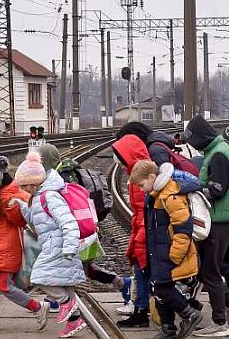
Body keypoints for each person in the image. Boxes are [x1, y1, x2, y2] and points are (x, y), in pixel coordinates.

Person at [38, 142, 131, 314]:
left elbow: (70, 207)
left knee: (70, 266)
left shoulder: (62, 177)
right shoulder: (63, 172)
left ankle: (61, 302)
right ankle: (122, 283)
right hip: (86, 228)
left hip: (80, 232)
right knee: (85, 268)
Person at [0, 158, 51, 332]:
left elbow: (21, 219)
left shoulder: (8, 199)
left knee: (5, 287)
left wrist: (15, 207)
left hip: (7, 249)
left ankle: (37, 307)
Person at [184, 116, 229, 338]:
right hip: (221, 219)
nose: (192, 145)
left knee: (209, 270)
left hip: (220, 221)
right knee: (208, 268)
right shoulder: (216, 150)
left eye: (193, 140)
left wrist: (193, 189)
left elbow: (218, 189)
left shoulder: (218, 155)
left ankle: (220, 322)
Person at [13, 153, 87, 338]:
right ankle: (74, 321)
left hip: (60, 245)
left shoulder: (50, 196)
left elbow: (68, 222)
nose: (23, 189)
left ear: (33, 182)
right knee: (65, 282)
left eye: (24, 186)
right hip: (53, 245)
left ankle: (66, 303)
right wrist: (22, 205)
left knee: (39, 276)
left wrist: (70, 247)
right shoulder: (39, 196)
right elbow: (35, 219)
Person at [131, 161, 204, 339]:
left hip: (168, 253)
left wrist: (175, 255)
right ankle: (168, 328)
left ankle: (189, 313)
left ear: (151, 177)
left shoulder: (170, 196)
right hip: (158, 252)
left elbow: (183, 229)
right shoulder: (156, 195)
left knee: (161, 288)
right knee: (156, 287)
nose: (141, 189)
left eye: (142, 185)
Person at [110, 134, 153, 326]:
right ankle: (141, 310)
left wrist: (138, 239)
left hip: (145, 234)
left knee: (144, 274)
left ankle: (143, 312)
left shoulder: (138, 179)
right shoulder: (139, 173)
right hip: (143, 232)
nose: (119, 164)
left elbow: (143, 214)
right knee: (144, 274)